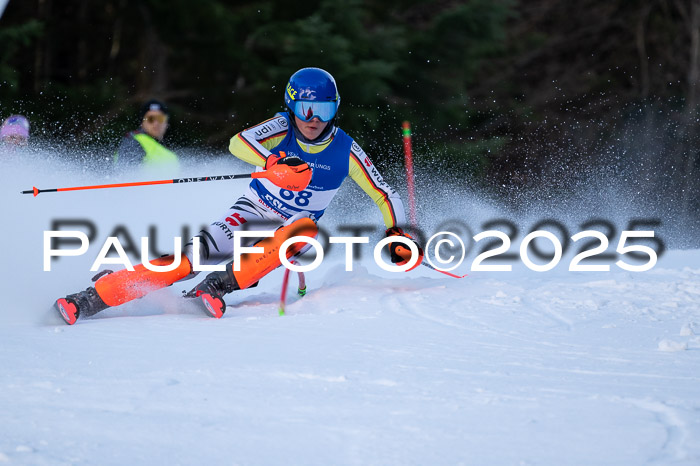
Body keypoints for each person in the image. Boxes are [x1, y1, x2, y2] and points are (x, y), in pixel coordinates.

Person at [54, 67, 423, 325]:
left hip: (289, 228)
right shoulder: (281, 128)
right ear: (291, 107)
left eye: (323, 110)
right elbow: (238, 142)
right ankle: (92, 298)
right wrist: (272, 162)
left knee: (303, 231)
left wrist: (398, 233)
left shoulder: (345, 149)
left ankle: (217, 286)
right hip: (250, 212)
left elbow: (385, 193)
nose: (313, 119)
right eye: (305, 109)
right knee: (187, 261)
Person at [113, 99, 179, 170]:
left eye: (160, 118)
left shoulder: (170, 152)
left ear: (166, 122)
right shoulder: (133, 141)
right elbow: (126, 172)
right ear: (142, 122)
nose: (156, 123)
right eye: (151, 119)